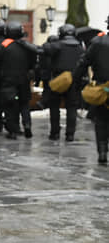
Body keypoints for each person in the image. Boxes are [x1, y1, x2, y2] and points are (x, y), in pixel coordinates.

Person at [0, 22, 39, 139]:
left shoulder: (5, 46)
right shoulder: (27, 46)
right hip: (24, 79)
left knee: (9, 105)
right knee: (24, 104)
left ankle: (13, 130)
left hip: (8, 80)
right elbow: (34, 62)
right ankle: (27, 125)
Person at [73, 22, 109, 163]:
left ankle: (102, 151)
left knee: (101, 120)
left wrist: (75, 80)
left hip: (101, 88)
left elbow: (83, 63)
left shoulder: (98, 42)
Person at [43, 24, 85, 141]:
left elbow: (45, 49)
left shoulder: (58, 45)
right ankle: (70, 134)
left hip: (58, 79)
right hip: (74, 80)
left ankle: (54, 132)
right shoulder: (80, 48)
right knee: (71, 108)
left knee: (54, 107)